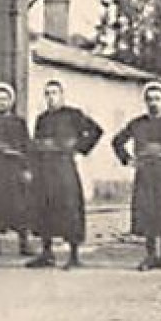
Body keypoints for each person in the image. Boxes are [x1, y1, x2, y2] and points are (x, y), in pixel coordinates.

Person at [26, 80, 103, 270]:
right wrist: (33, 166)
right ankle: (47, 253)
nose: (51, 98)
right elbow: (37, 143)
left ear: (62, 95)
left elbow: (96, 131)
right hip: (44, 168)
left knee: (69, 208)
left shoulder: (73, 115)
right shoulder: (41, 118)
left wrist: (77, 148)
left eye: (54, 93)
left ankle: (74, 255)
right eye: (48, 94)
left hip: (64, 167)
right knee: (44, 207)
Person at [110, 81, 161, 271]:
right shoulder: (137, 124)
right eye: (150, 99)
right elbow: (117, 141)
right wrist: (127, 159)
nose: (154, 103)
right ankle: (151, 255)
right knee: (147, 213)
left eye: (157, 99)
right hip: (145, 174)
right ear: (145, 101)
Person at [0, 82, 33, 257]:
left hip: (12, 168)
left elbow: (26, 146)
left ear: (11, 101)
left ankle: (24, 243)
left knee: (19, 206)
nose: (1, 102)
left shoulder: (19, 122)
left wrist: (26, 168)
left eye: (4, 99)